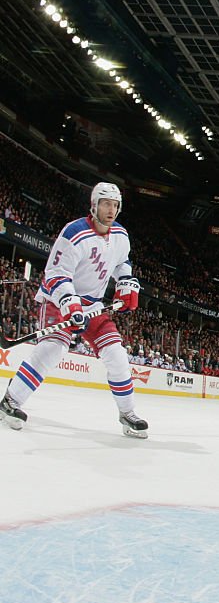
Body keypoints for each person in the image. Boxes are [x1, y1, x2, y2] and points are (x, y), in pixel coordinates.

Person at [0, 182, 148, 438]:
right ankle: (10, 401)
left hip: (94, 306)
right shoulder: (75, 232)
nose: (111, 209)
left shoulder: (121, 235)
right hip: (59, 301)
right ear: (94, 204)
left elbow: (122, 263)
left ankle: (127, 413)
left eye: (115, 205)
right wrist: (70, 302)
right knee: (52, 349)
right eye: (105, 203)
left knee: (117, 357)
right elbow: (56, 274)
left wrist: (126, 282)